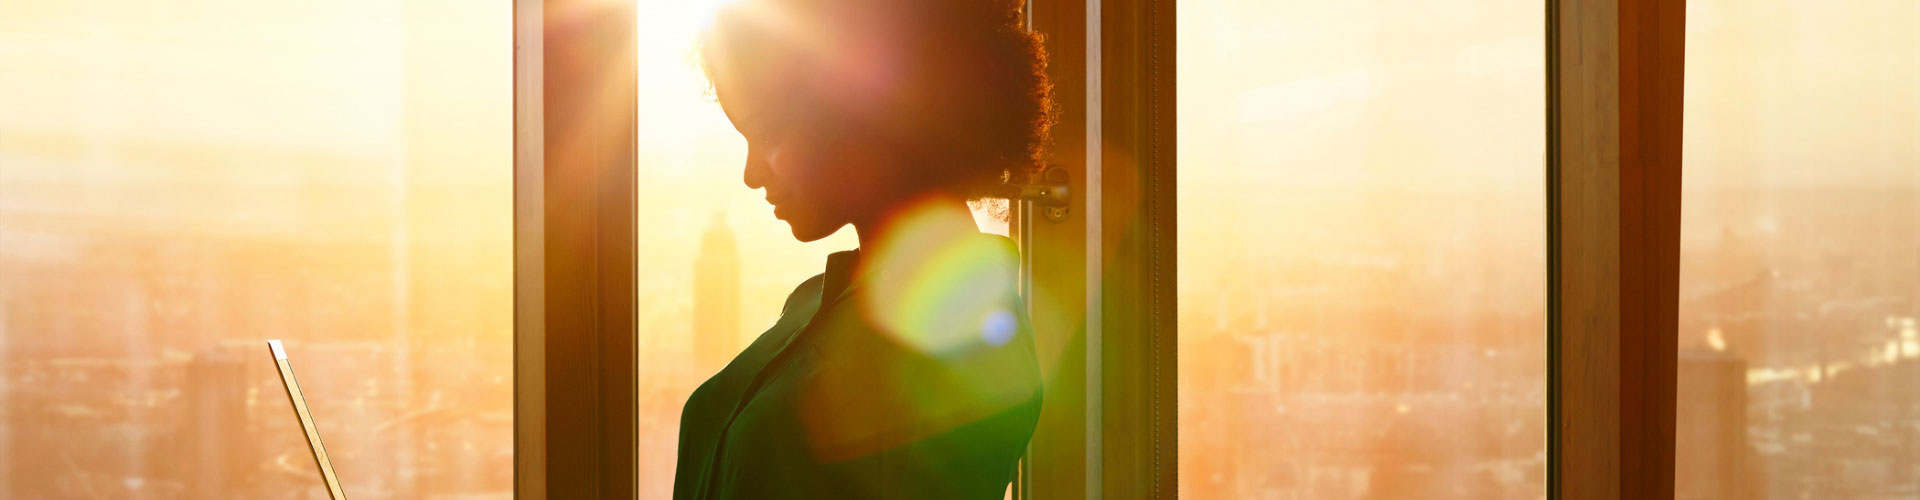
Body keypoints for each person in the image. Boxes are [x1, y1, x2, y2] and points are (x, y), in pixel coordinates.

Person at [672, 0, 1055, 498]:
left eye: (766, 133)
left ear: (862, 112)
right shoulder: (817, 301)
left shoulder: (966, 342)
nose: (751, 174)